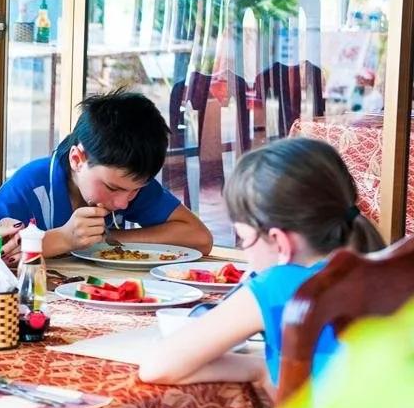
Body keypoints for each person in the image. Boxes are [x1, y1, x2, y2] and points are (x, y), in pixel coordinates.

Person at [138, 137, 385, 392]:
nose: (245, 250)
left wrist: (260, 370)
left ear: (280, 242)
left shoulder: (280, 284)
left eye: (244, 238)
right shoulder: (390, 270)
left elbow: (157, 366)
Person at [0, 89, 212, 262]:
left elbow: (200, 238)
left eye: (135, 190)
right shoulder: (32, 185)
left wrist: (108, 238)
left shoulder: (128, 180)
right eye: (112, 188)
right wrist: (62, 239)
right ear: (77, 159)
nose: (123, 203)